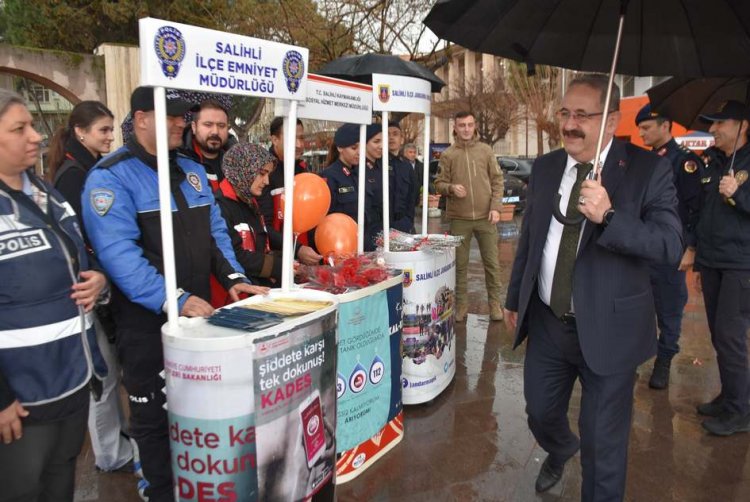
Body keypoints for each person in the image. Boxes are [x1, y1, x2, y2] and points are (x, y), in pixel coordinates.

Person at [82, 86, 268, 501]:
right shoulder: (110, 177)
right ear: (142, 118)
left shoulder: (192, 170)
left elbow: (216, 233)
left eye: (184, 117)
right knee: (152, 418)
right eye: (173, 116)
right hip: (147, 323)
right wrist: (176, 298)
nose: (182, 124)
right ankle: (159, 491)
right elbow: (119, 257)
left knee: (198, 412)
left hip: (198, 322)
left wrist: (234, 275)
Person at [503, 74, 682, 500]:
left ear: (612, 120)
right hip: (549, 324)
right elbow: (531, 239)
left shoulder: (647, 169)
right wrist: (515, 298)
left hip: (611, 331)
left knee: (604, 448)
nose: (569, 124)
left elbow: (671, 245)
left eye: (582, 115)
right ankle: (562, 447)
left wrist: (611, 216)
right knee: (540, 413)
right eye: (565, 113)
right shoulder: (547, 167)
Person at [0, 89, 108, 501]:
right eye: (19, 128)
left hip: (73, 377)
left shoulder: (50, 196)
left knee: (59, 482)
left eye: (32, 126)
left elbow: (80, 261)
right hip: (22, 396)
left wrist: (99, 282)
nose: (35, 137)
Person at [47, 101, 136, 475]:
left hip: (96, 283)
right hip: (88, 288)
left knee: (109, 371)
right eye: (102, 129)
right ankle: (109, 452)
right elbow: (84, 236)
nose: (109, 136)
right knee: (102, 375)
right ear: (80, 132)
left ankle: (115, 440)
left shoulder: (87, 167)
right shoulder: (75, 175)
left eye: (111, 129)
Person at [636, 103, 704, 389]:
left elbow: (695, 209)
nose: (641, 134)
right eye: (639, 128)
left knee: (669, 309)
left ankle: (664, 360)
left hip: (669, 249)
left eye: (646, 128)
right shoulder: (645, 161)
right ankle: (639, 356)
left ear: (665, 126)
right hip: (643, 247)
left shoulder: (685, 162)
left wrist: (690, 248)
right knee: (639, 307)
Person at [693, 100, 750, 436]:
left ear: (742, 125)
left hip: (741, 264)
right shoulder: (714, 161)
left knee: (731, 338)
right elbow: (705, 213)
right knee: (719, 334)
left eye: (719, 123)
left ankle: (740, 411)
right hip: (714, 260)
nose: (712, 130)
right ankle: (731, 396)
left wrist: (739, 195)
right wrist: (700, 259)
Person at [215, 142, 321, 287]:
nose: (266, 181)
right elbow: (236, 255)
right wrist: (279, 267)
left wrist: (289, 263)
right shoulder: (220, 207)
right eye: (262, 174)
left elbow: (260, 246)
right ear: (244, 170)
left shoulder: (250, 202)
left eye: (268, 174)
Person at [434, 111, 504, 322]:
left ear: (475, 126)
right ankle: (461, 304)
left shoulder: (485, 151)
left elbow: (497, 181)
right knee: (460, 266)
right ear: (454, 127)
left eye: (470, 125)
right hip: (460, 218)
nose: (466, 129)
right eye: (462, 125)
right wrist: (451, 188)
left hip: (486, 217)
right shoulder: (448, 155)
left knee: (492, 263)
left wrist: (496, 207)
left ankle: (495, 304)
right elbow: (438, 184)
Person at [181, 98, 232, 191]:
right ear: (194, 127)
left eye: (221, 126)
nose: (215, 132)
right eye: (208, 125)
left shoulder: (236, 162)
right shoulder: (178, 160)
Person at [387, 123, 416, 233]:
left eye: (395, 134)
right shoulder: (377, 164)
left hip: (403, 223)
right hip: (382, 224)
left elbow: (413, 196)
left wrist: (408, 220)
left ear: (401, 139)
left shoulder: (406, 165)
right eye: (387, 134)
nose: (391, 137)